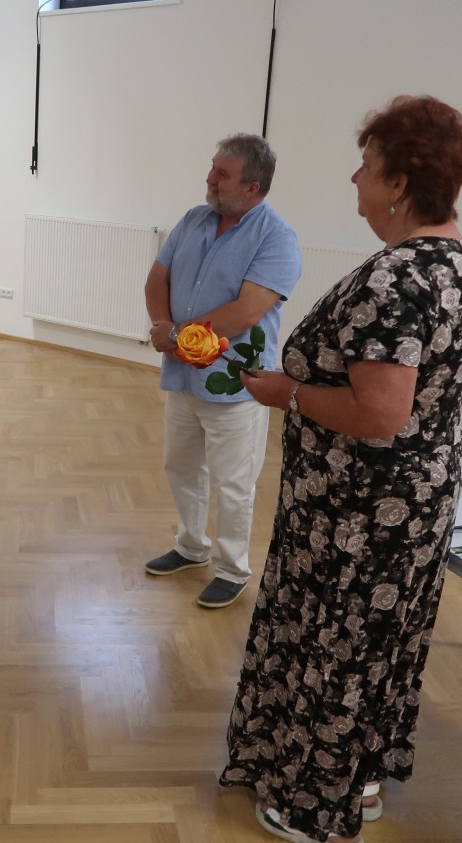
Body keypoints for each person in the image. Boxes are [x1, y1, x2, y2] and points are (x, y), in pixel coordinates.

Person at [218, 96, 462, 843]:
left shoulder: (396, 278)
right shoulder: (450, 262)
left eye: (366, 166)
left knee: (336, 646)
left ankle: (321, 817)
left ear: (399, 183)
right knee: (369, 647)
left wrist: (287, 393)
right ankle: (355, 781)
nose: (355, 179)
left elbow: (380, 413)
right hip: (410, 498)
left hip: (362, 508)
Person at [144, 134, 301, 610]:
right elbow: (157, 278)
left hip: (236, 382)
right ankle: (191, 546)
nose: (210, 179)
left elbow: (247, 311)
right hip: (183, 375)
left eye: (222, 174)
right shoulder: (194, 219)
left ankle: (232, 570)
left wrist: (177, 336)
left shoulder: (276, 237)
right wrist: (164, 328)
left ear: (252, 187)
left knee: (233, 483)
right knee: (181, 466)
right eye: (213, 168)